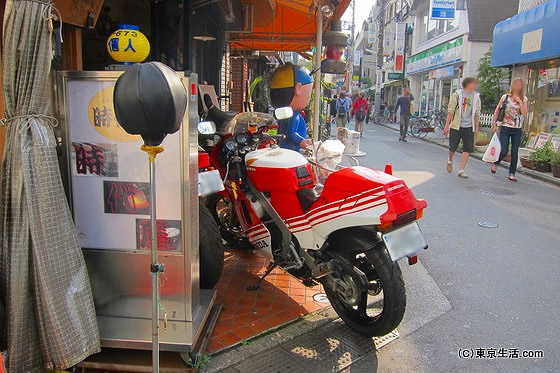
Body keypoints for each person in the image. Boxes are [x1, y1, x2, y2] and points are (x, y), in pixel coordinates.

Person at [269, 62, 313, 151]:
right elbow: (291, 132)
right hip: (294, 149)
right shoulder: (294, 115)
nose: (310, 97)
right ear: (298, 88)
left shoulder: (282, 114)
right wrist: (302, 141)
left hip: (283, 146)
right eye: (309, 93)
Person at [491, 78, 528, 181]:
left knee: (515, 151)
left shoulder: (524, 99)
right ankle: (496, 163)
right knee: (504, 150)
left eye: (520, 85)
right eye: (516, 84)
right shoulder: (505, 97)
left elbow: (524, 114)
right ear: (512, 86)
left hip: (517, 129)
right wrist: (494, 124)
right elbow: (497, 111)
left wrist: (520, 101)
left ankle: (512, 173)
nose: (518, 87)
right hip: (505, 127)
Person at [443, 77, 481, 178]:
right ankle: (450, 160)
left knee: (467, 148)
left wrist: (477, 127)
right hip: (456, 125)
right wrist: (447, 126)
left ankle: (461, 169)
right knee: (453, 147)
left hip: (469, 126)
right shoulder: (457, 95)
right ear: (467, 84)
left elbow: (477, 113)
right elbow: (451, 111)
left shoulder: (476, 97)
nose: (475, 85)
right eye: (473, 83)